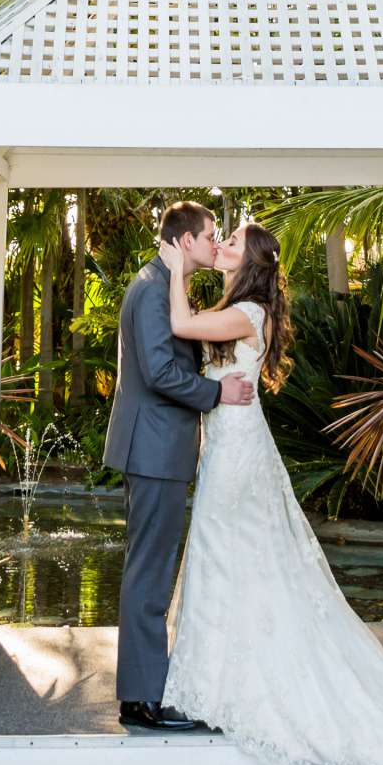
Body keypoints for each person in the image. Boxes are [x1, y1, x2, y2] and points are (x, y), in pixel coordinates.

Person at [160, 219, 383, 765]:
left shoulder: (248, 314)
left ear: (248, 263)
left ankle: (234, 683)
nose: (221, 245)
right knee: (234, 558)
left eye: (231, 243)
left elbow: (179, 322)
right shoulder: (241, 309)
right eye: (219, 240)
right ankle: (221, 679)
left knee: (227, 553)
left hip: (237, 456)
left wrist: (176, 267)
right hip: (228, 446)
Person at [103, 200, 254, 732]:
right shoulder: (149, 290)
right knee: (149, 571)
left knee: (153, 568)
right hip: (153, 450)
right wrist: (218, 392)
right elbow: (163, 373)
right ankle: (140, 700)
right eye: (211, 235)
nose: (216, 245)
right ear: (184, 241)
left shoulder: (163, 285)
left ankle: (145, 689)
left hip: (160, 449)